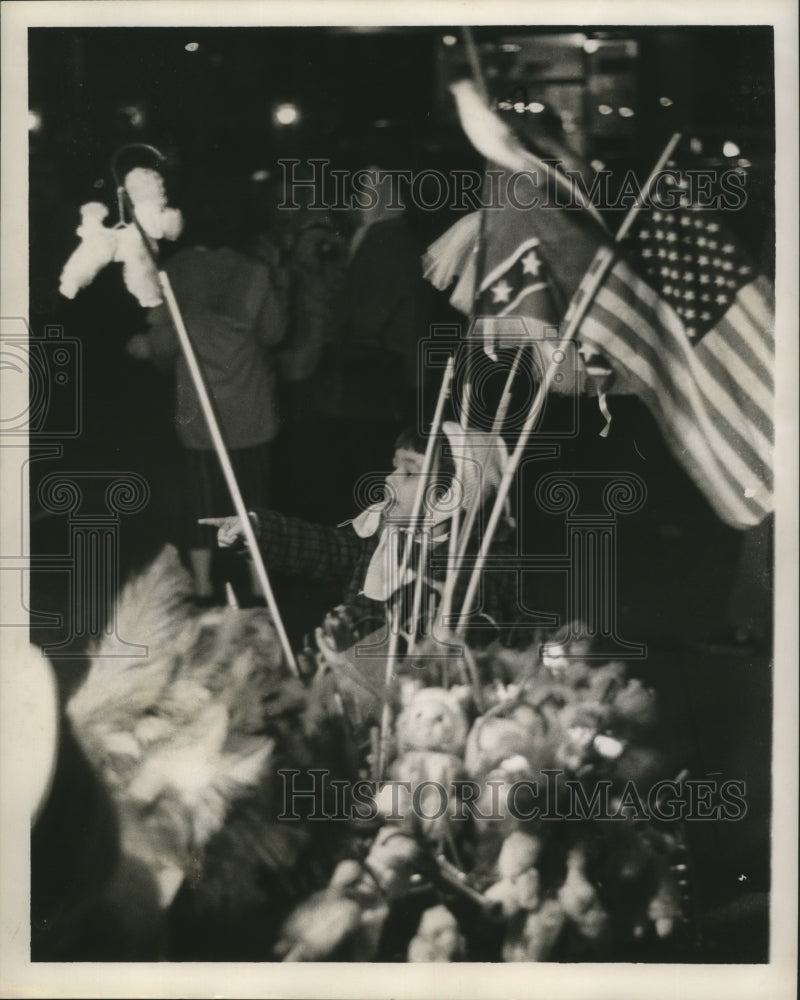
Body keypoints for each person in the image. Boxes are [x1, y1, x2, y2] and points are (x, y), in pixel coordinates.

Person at [201, 422, 520, 648]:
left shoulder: (475, 571)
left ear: (449, 497)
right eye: (394, 467)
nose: (390, 480)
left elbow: (444, 638)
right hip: (357, 676)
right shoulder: (385, 536)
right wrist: (258, 530)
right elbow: (326, 549)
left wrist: (354, 632)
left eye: (409, 472)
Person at [127, 184, 287, 600]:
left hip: (196, 407)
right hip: (250, 406)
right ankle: (256, 582)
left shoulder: (173, 272)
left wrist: (152, 353)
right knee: (252, 497)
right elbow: (274, 333)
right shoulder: (253, 271)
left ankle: (201, 581)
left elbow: (163, 344)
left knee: (201, 496)